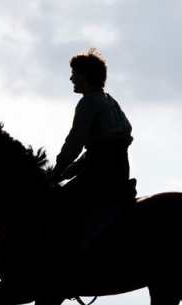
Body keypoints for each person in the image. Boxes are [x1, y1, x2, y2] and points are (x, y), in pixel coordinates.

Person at [51, 49, 136, 251]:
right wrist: (71, 170)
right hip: (119, 172)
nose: (71, 78)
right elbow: (103, 146)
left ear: (85, 76)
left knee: (56, 207)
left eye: (75, 73)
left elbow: (75, 142)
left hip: (99, 175)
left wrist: (58, 169)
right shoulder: (110, 100)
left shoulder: (88, 102)